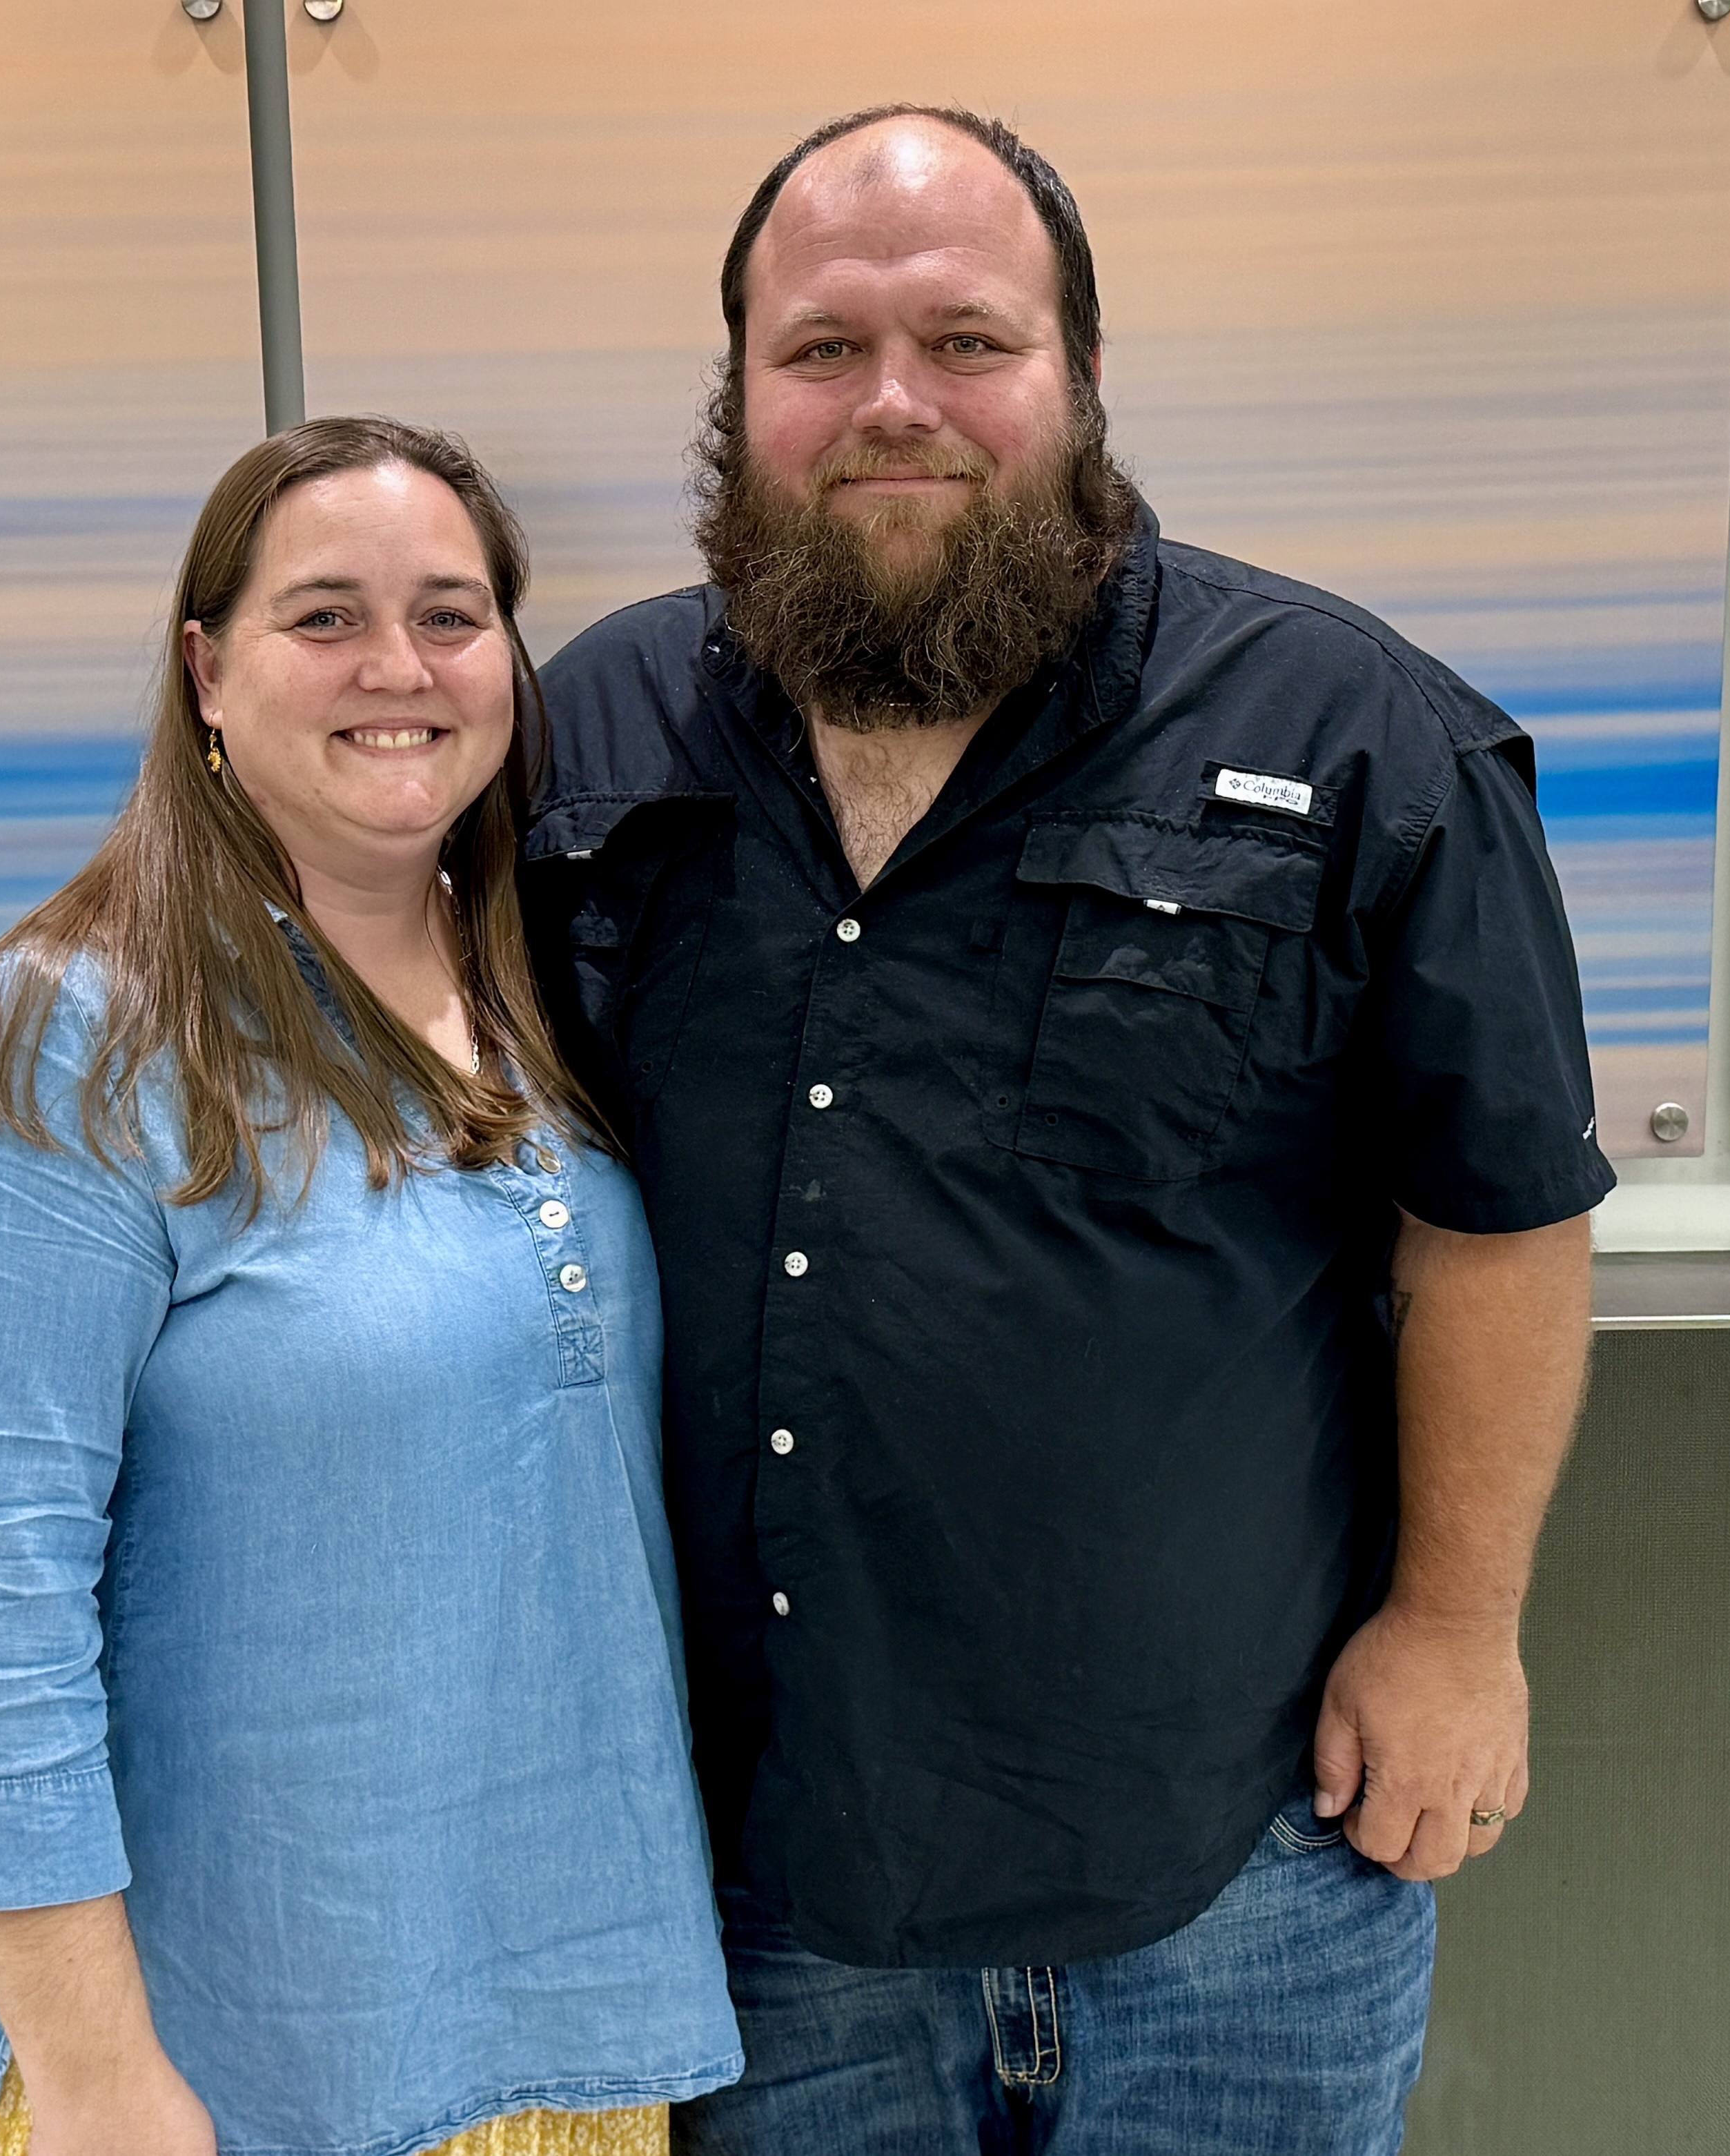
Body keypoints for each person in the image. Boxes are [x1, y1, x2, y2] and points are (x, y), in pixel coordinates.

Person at [522, 106, 1611, 2155]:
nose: (892, 405)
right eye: (820, 350)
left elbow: (1495, 1214)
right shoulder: (583, 741)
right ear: (737, 390)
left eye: (967, 341)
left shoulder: (1357, 737)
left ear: (1079, 380)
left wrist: (1457, 1627)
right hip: (749, 1889)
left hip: (1243, 1865)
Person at [0, 417, 740, 2156]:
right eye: (322, 615)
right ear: (205, 671)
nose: (395, 666)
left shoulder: (546, 1012)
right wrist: (106, 2089)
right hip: (214, 2079)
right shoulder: (50, 1054)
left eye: (452, 615)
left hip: (569, 2055)